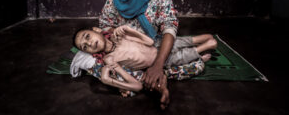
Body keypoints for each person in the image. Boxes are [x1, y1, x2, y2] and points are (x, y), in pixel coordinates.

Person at [99, 0, 201, 89]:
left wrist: (158, 64)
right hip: (124, 50)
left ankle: (152, 73)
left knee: (195, 65)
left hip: (153, 46)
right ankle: (155, 78)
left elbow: (169, 27)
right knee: (97, 59)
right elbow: (105, 23)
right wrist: (117, 36)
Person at [72, 25, 216, 109]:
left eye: (87, 37)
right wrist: (108, 77)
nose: (89, 43)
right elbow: (134, 84)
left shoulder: (119, 36)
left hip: (158, 46)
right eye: (85, 47)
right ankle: (200, 51)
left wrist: (129, 30)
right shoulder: (109, 59)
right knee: (182, 56)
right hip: (160, 63)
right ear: (88, 52)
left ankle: (200, 46)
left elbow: (148, 41)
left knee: (180, 42)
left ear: (97, 30)